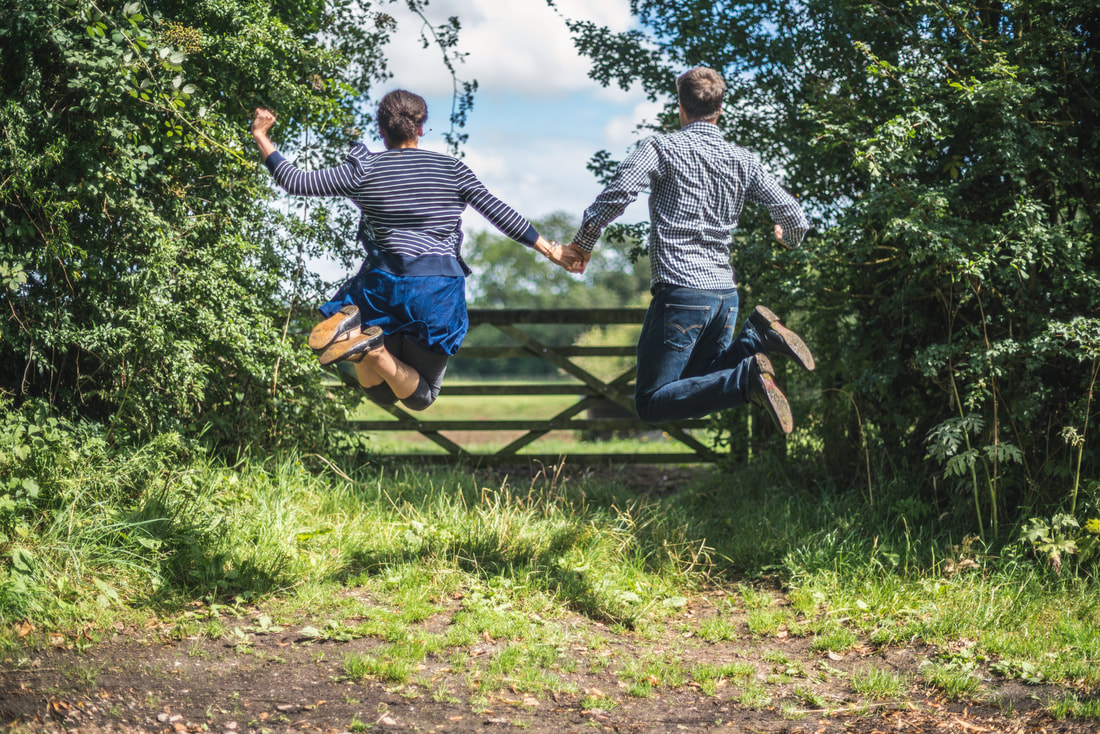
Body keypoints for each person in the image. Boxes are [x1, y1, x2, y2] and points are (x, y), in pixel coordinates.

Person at [250, 90, 567, 410]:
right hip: (435, 292)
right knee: (422, 397)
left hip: (380, 286)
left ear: (381, 129)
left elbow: (295, 181)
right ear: (420, 126)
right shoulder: (452, 169)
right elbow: (497, 211)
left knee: (382, 395)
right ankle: (371, 349)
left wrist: (260, 134)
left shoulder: (363, 169)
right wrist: (549, 249)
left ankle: (362, 344)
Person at [558, 67, 814, 433]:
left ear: (681, 106)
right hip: (725, 297)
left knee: (651, 401)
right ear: (719, 109)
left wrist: (582, 243)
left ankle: (746, 380)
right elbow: (794, 217)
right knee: (698, 383)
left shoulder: (660, 148)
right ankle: (758, 335)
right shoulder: (744, 159)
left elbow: (617, 194)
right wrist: (787, 236)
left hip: (682, 292)